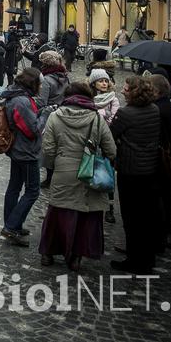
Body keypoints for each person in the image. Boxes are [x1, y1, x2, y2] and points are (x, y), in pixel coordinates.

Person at [39, 82, 117, 271]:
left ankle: (48, 253)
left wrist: (55, 166)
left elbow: (48, 150)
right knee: (85, 215)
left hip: (63, 170)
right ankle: (76, 257)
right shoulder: (97, 119)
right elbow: (111, 150)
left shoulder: (55, 117)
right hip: (89, 173)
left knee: (58, 212)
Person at [109, 76, 161, 274]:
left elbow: (112, 135)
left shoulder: (126, 113)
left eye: (126, 88)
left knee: (131, 217)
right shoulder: (154, 110)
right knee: (146, 216)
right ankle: (147, 258)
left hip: (130, 170)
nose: (123, 90)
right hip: (149, 169)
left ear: (134, 91)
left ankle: (134, 260)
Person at [0, 68, 44, 246]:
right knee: (32, 191)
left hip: (19, 149)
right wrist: (45, 116)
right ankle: (11, 226)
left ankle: (13, 224)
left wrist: (38, 113)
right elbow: (32, 130)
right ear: (33, 83)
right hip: (26, 152)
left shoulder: (17, 96)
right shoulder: (22, 101)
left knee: (15, 187)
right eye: (39, 84)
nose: (41, 87)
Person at [149, 74, 171, 249]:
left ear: (156, 90)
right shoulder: (167, 105)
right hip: (164, 155)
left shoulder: (159, 109)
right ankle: (166, 230)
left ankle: (161, 234)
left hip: (159, 158)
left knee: (161, 196)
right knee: (166, 195)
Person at [37, 50, 70, 189]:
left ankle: (50, 177)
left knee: (48, 148)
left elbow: (41, 101)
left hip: (50, 116)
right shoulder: (65, 77)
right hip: (63, 114)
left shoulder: (46, 80)